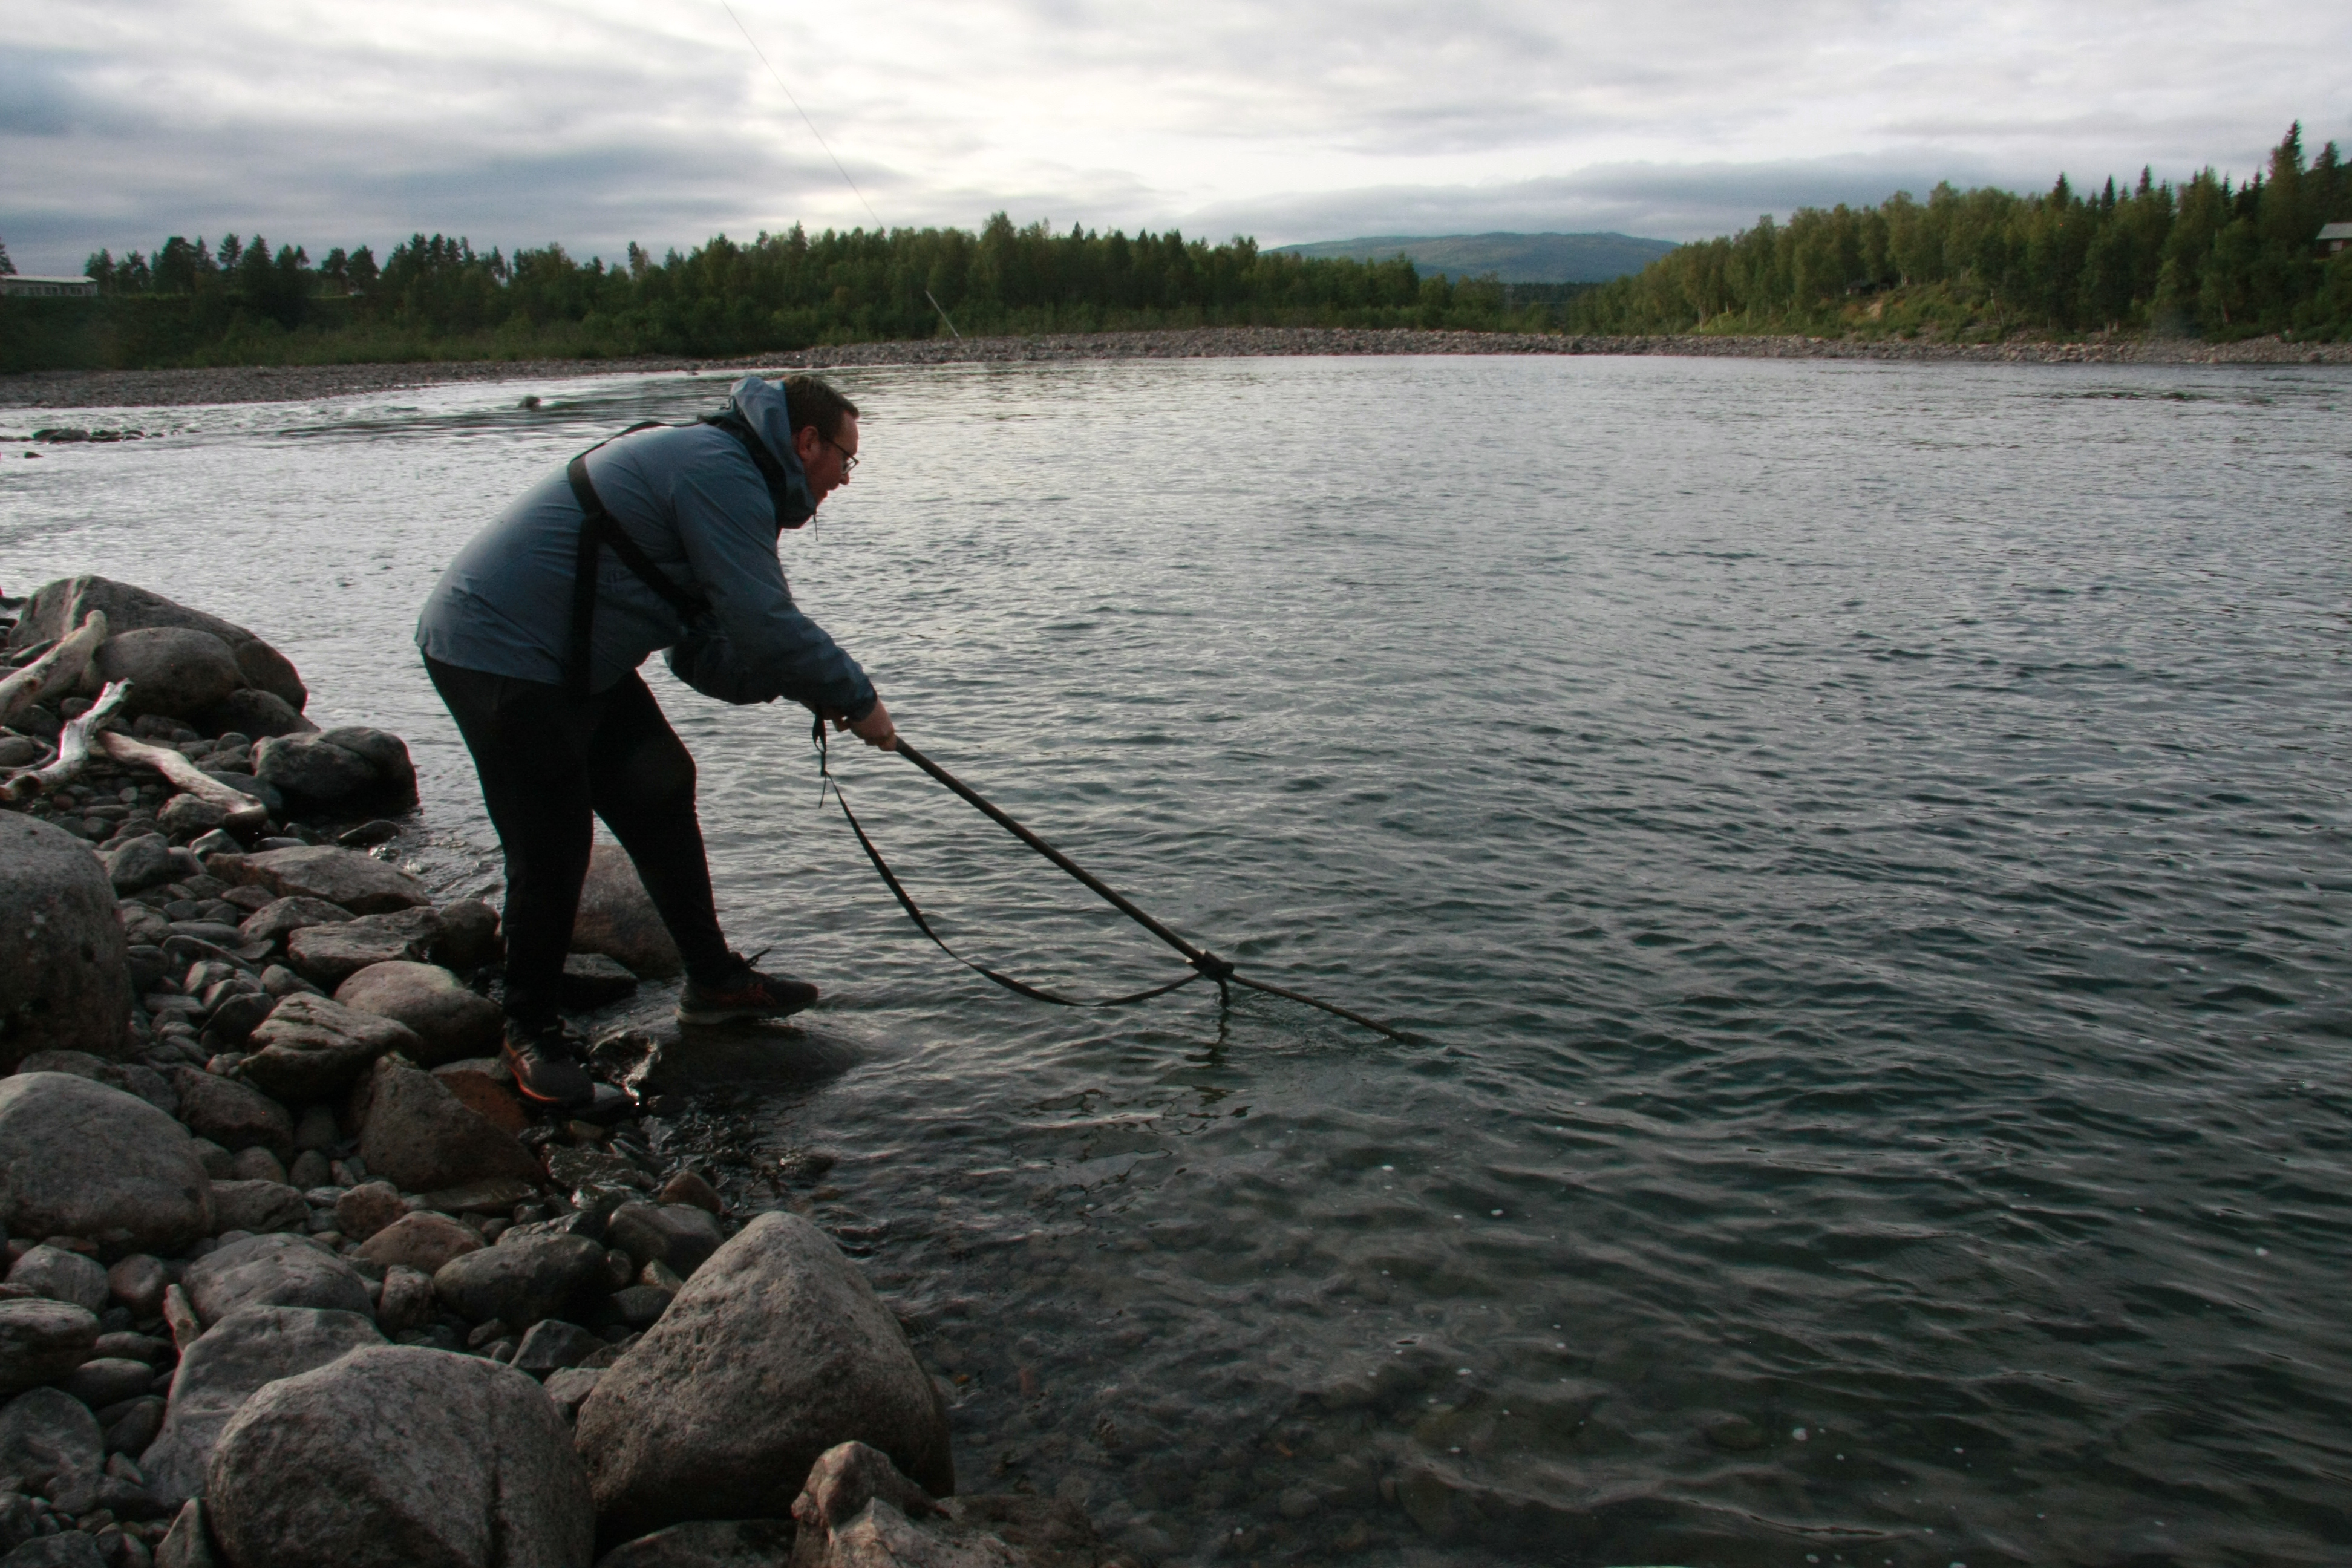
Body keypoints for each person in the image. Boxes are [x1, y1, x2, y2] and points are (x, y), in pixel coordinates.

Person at [414, 373, 896, 1109]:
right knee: (552, 838)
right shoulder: (722, 473)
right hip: (496, 648)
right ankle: (528, 1028)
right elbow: (765, 624)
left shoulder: (729, 470)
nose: (845, 478)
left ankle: (713, 982)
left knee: (661, 783)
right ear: (807, 443)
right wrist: (858, 698)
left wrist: (802, 685)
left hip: (576, 658)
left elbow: (701, 652)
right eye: (845, 458)